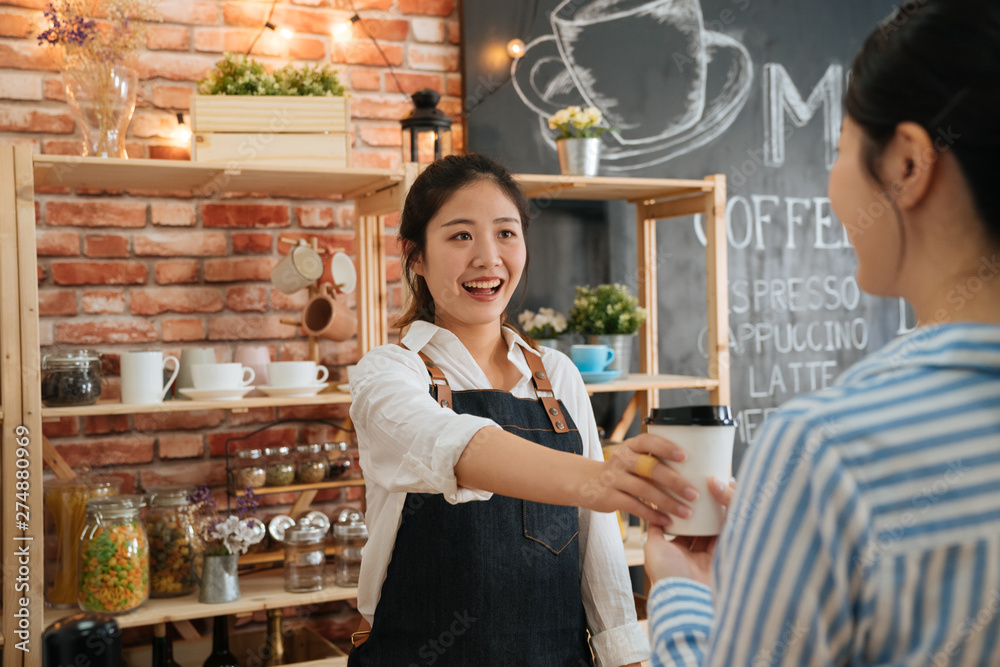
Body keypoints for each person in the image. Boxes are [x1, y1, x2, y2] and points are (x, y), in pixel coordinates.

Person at [643, 0, 1000, 663]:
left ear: (909, 165)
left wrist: (684, 592)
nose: (834, 181)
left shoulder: (827, 451)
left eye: (839, 148)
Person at [348, 153, 698, 666]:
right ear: (414, 255)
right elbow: (453, 443)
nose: (489, 258)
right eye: (461, 235)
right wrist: (601, 480)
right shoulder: (388, 373)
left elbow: (595, 540)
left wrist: (626, 656)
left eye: (506, 233)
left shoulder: (557, 374)